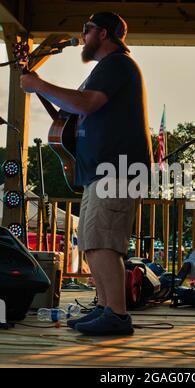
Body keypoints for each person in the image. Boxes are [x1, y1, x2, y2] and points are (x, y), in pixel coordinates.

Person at [20, 11, 153, 335]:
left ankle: (117, 315)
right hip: (102, 170)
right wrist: (39, 87)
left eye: (87, 29)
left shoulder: (117, 65)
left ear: (104, 34)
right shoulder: (104, 71)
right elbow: (71, 111)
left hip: (116, 168)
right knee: (94, 241)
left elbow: (86, 104)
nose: (82, 35)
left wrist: (39, 83)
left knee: (105, 242)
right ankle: (107, 308)